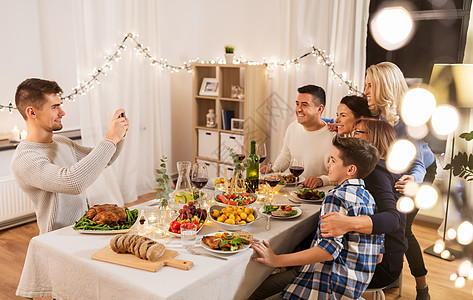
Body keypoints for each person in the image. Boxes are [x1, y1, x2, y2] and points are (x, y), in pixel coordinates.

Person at [250, 136, 383, 300]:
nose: (328, 165)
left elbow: (328, 251)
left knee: (252, 292)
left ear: (350, 170)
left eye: (333, 161)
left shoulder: (336, 196)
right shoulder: (369, 197)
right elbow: (378, 255)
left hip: (328, 287)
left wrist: (276, 260)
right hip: (354, 287)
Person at [11, 78, 129, 234]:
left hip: (83, 229)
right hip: (57, 239)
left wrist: (119, 136)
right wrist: (111, 138)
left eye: (60, 105)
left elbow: (105, 160)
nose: (62, 112)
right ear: (32, 112)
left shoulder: (62, 142)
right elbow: (73, 183)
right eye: (54, 107)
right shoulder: (25, 158)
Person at [365, 62, 434, 299]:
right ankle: (390, 272)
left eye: (370, 86)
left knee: (404, 229)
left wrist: (413, 180)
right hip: (391, 173)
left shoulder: (408, 120)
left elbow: (418, 163)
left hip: (418, 172)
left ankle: (422, 288)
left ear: (384, 87)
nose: (365, 91)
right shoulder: (373, 113)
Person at [320, 118, 407, 290]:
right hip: (382, 256)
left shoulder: (377, 173)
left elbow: (392, 218)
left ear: (375, 138)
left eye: (357, 132)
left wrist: (346, 223)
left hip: (378, 264)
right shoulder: (385, 167)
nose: (352, 136)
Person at [268, 84, 335, 188]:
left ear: (319, 109)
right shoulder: (292, 127)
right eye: (297, 104)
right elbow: (286, 156)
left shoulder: (332, 137)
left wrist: (321, 180)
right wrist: (273, 170)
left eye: (304, 105)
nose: (298, 109)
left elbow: (339, 176)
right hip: (293, 191)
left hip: (318, 195)